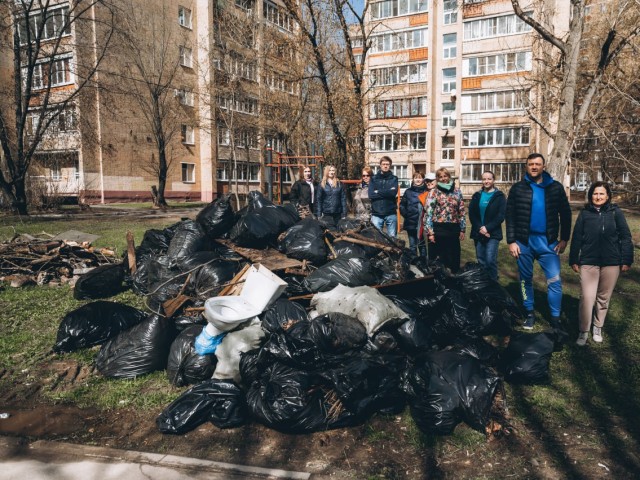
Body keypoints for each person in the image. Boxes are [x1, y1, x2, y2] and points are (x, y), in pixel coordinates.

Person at [506, 153, 572, 330]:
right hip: (524, 243)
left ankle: (555, 318)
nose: (534, 167)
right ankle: (529, 313)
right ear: (526, 166)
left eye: (537, 164)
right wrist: (511, 241)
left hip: (548, 243)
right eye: (530, 164)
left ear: (543, 166)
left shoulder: (555, 188)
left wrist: (564, 238)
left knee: (555, 281)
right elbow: (510, 216)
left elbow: (566, 214)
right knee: (524, 280)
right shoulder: (517, 189)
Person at [569, 181, 633, 346]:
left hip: (611, 262)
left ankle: (597, 327)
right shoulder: (584, 214)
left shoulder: (615, 213)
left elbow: (625, 236)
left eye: (601, 194)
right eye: (595, 194)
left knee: (603, 298)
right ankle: (583, 330)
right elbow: (576, 238)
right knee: (587, 297)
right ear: (591, 196)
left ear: (608, 196)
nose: (598, 197)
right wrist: (574, 259)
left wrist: (626, 259)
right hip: (588, 262)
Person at [424, 167, 466, 272]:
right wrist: (430, 232)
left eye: (445, 176)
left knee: (453, 258)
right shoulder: (433, 192)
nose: (443, 179)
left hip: (453, 229)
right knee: (437, 260)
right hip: (438, 229)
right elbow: (428, 212)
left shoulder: (457, 191)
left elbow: (461, 211)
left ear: (449, 177)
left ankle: (453, 281)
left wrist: (462, 229)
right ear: (437, 179)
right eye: (440, 177)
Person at [468, 171, 506, 281]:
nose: (486, 181)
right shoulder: (477, 195)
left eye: (489, 179)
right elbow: (472, 214)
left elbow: (501, 216)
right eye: (484, 179)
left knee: (490, 260)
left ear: (493, 180)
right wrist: (480, 228)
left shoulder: (499, 196)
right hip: (478, 232)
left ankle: (494, 284)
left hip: (493, 234)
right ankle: (484, 285)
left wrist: (487, 228)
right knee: (481, 260)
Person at [369, 156, 399, 237]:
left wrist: (378, 191)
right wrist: (388, 192)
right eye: (383, 164)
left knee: (393, 240)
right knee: (377, 239)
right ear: (380, 165)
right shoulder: (373, 179)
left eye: (387, 164)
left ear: (390, 166)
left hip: (391, 213)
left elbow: (393, 193)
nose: (385, 166)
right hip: (376, 213)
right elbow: (371, 194)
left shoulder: (394, 179)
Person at [400, 172, 428, 258]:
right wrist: (407, 215)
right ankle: (414, 262)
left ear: (423, 179)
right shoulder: (408, 192)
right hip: (410, 222)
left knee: (422, 245)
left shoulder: (426, 191)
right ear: (413, 179)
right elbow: (402, 205)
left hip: (422, 224)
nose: (418, 180)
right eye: (416, 178)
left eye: (420, 177)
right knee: (412, 245)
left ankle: (423, 262)